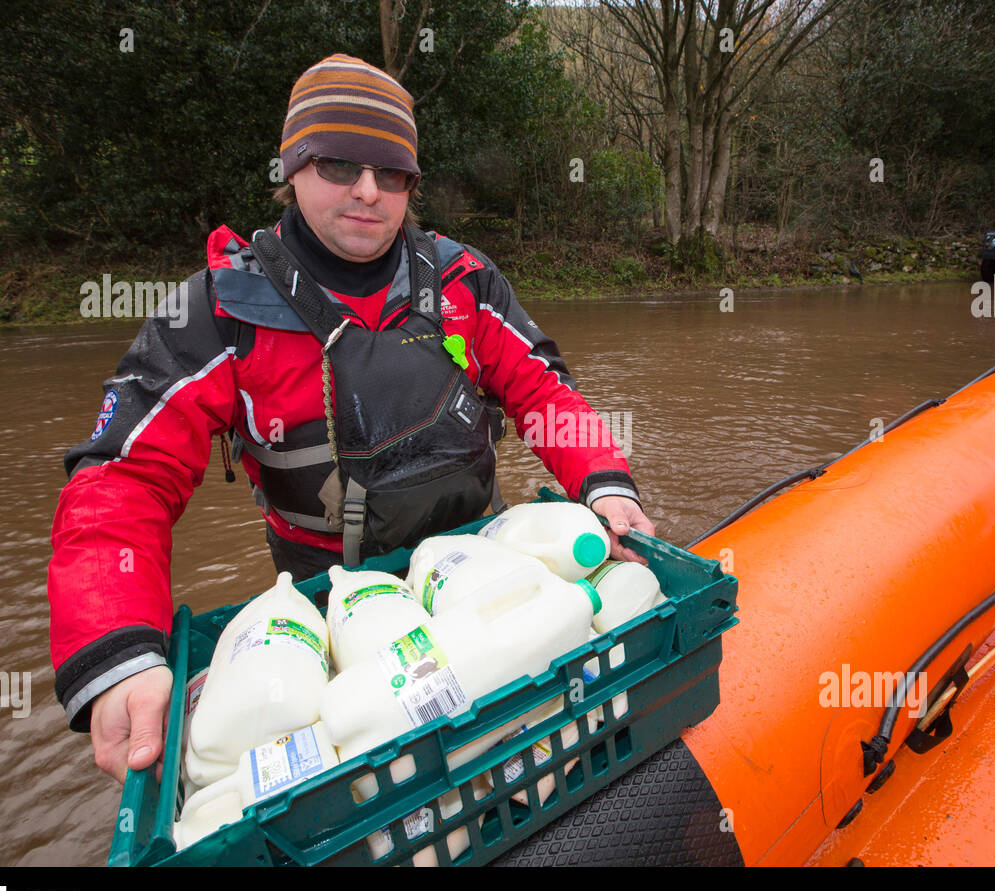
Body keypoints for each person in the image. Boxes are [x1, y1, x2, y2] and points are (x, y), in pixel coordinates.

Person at [48, 53, 654, 784]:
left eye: (392, 173)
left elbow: (542, 389)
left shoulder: (464, 281)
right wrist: (118, 648)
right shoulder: (218, 310)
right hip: (335, 608)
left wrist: (605, 482)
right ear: (292, 168)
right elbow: (124, 478)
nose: (369, 192)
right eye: (338, 164)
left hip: (481, 571)